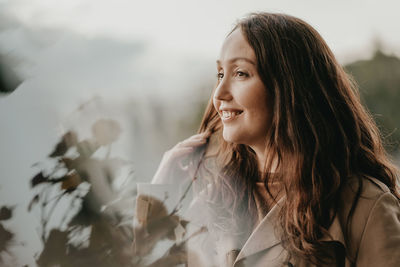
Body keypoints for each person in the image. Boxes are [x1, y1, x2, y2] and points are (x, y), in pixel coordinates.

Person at [144, 12, 400, 267]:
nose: (219, 93)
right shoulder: (212, 203)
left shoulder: (364, 206)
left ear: (290, 86)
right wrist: (160, 191)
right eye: (220, 74)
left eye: (241, 73)